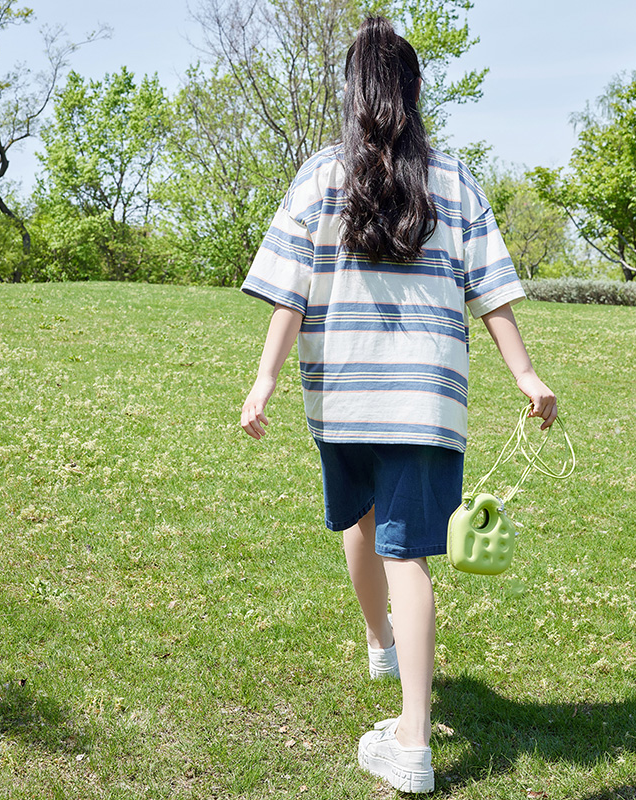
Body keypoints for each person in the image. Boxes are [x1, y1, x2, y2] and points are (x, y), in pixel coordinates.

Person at [239, 16, 557, 794]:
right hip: (428, 400)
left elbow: (290, 290)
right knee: (405, 551)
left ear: (353, 93)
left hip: (343, 393)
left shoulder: (320, 175)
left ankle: (402, 716)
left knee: (361, 519)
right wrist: (524, 374)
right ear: (415, 91)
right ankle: (397, 682)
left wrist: (265, 381)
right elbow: (494, 291)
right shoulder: (453, 180)